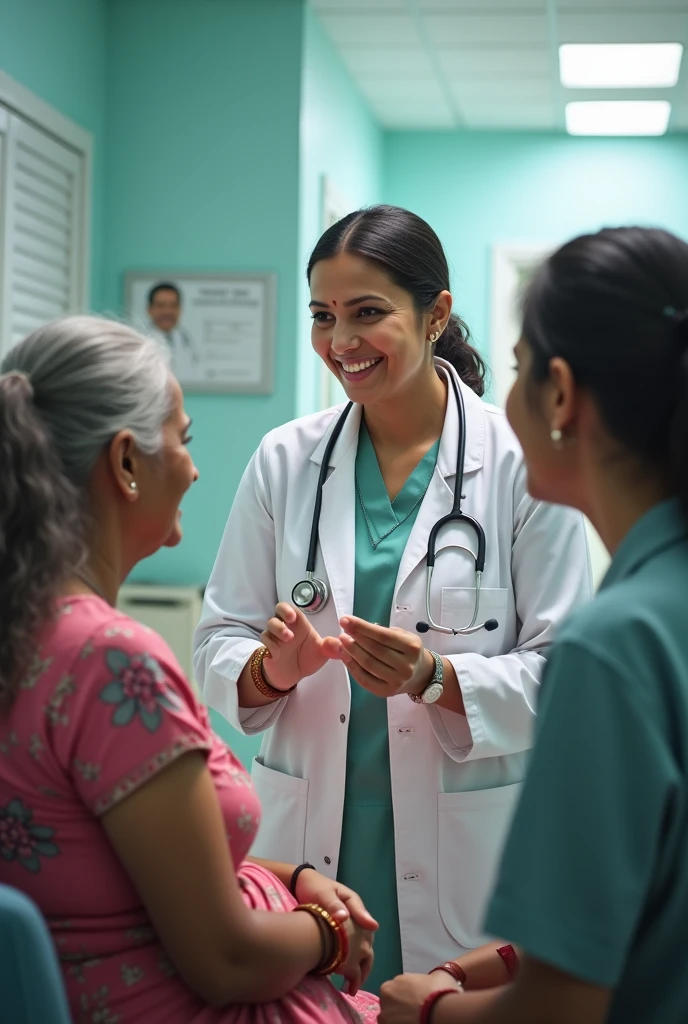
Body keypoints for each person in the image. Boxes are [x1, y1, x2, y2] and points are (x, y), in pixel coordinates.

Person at [193, 205, 592, 992]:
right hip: (311, 852)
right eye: (323, 315)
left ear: (435, 312)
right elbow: (217, 639)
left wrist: (436, 679)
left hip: (465, 851)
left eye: (367, 313)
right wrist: (270, 670)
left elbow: (567, 672)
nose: (341, 341)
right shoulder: (285, 460)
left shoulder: (519, 463)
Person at [0, 316, 379, 1024]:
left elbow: (107, 869)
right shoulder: (108, 662)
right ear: (124, 464)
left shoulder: (28, 634)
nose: (195, 467)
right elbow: (225, 959)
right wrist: (332, 934)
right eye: (183, 438)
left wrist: (291, 878)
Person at [378, 225, 688, 1024]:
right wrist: (511, 958)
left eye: (515, 371)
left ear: (559, 393)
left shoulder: (616, 646)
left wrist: (427, 1010)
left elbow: (560, 1010)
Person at [147, 281, 199, 379]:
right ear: (149, 310)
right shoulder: (141, 342)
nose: (167, 311)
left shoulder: (188, 341)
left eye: (173, 306)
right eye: (161, 305)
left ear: (180, 309)